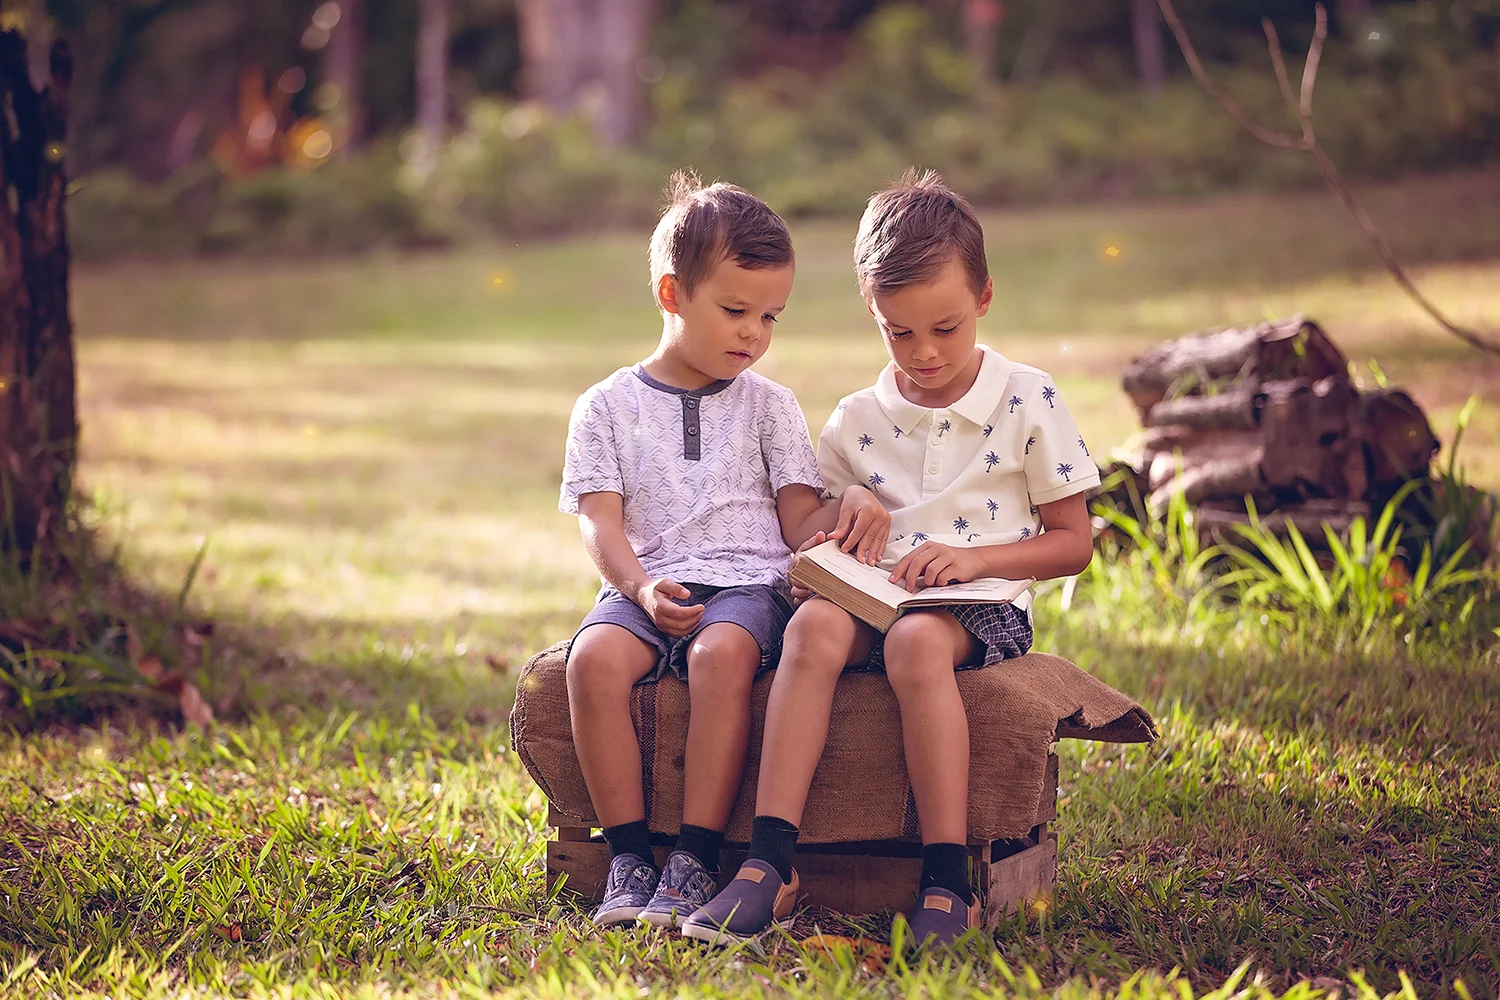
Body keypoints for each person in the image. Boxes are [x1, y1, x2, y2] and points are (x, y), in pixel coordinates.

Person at [684, 169, 1098, 948]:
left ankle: (947, 881)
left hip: (980, 601)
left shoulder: (1028, 399)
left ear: (983, 299)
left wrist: (972, 563)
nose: (925, 352)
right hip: (872, 594)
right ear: (872, 314)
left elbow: (1073, 542)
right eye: (899, 332)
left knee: (913, 643)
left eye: (944, 327)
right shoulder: (858, 417)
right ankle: (769, 866)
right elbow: (816, 524)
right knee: (810, 630)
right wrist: (846, 514)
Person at [560, 172, 889, 930]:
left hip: (747, 585)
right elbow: (600, 524)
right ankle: (630, 858)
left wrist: (854, 504)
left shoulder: (770, 405)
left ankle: (693, 859)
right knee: (593, 662)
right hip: (648, 584)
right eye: (735, 311)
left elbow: (799, 518)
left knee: (722, 655)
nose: (754, 334)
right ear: (673, 295)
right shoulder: (605, 406)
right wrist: (640, 590)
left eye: (770, 316)